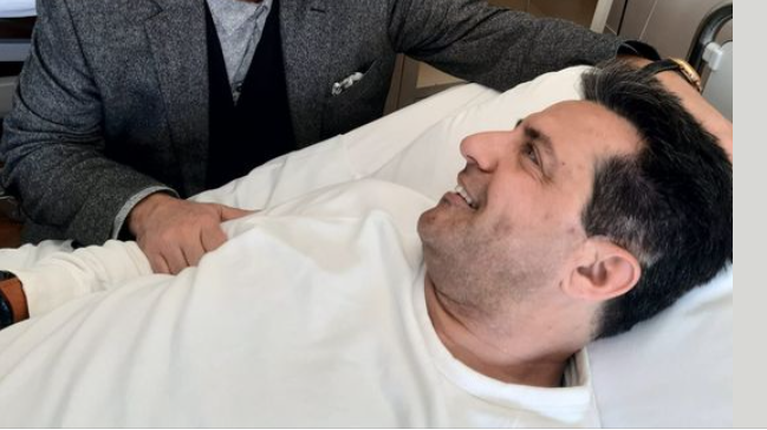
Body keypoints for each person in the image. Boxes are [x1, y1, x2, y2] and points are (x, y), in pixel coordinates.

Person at [0, 62, 732, 426]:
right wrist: (20, 296)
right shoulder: (375, 210)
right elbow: (163, 256)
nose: (475, 145)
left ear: (598, 270)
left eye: (531, 155)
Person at [0, 0, 730, 275]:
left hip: (297, 239)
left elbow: (493, 35)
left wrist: (641, 69)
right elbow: (38, 146)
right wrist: (149, 209)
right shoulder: (92, 11)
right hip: (136, 246)